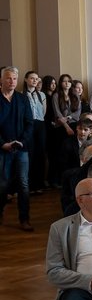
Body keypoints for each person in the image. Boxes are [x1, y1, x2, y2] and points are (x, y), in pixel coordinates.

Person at [0, 66, 34, 231]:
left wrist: (22, 141)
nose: (12, 81)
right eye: (8, 78)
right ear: (1, 80)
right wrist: (2, 144)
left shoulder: (22, 99)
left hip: (21, 148)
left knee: (23, 184)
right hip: (2, 148)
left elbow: (29, 123)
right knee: (2, 184)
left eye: (14, 78)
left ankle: (24, 219)